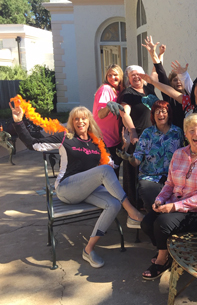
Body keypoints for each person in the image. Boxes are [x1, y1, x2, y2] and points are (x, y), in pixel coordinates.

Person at [10, 102, 144, 268]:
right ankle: (133, 212)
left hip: (87, 190)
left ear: (89, 121)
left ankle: (88, 250)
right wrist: (18, 122)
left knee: (114, 203)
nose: (80, 122)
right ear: (72, 122)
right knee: (103, 171)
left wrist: (125, 145)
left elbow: (112, 165)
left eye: (84, 118)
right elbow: (33, 144)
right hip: (67, 189)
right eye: (76, 119)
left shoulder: (96, 142)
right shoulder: (65, 137)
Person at [140, 113, 197, 280]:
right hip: (173, 204)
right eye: (191, 130)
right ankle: (166, 250)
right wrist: (160, 199)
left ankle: (162, 261)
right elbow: (169, 184)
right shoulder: (178, 154)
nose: (195, 134)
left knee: (162, 224)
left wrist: (174, 207)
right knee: (147, 223)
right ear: (186, 134)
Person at [117, 100, 184, 214]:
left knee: (172, 207)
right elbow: (137, 159)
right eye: (157, 112)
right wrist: (128, 154)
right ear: (152, 115)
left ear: (169, 114)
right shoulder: (147, 133)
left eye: (163, 111)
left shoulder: (177, 132)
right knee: (153, 206)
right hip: (150, 178)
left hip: (173, 179)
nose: (160, 115)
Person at [140, 72, 197, 145]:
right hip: (188, 146)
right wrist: (153, 82)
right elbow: (170, 91)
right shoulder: (187, 101)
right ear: (194, 87)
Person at [118, 65, 159, 206]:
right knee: (135, 171)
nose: (136, 77)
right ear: (129, 78)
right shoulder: (128, 93)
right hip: (138, 138)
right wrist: (133, 132)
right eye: (132, 75)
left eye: (138, 74)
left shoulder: (149, 89)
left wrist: (158, 56)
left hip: (153, 137)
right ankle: (135, 204)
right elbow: (124, 113)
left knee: (150, 169)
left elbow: (155, 72)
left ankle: (149, 200)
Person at [142, 36, 189, 130]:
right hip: (174, 137)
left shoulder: (191, 94)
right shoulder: (169, 96)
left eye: (180, 79)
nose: (178, 81)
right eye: (175, 80)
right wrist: (153, 54)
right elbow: (161, 73)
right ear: (170, 83)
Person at [93, 64, 125, 178]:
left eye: (115, 75)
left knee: (113, 174)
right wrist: (108, 106)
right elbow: (100, 114)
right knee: (106, 176)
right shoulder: (105, 89)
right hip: (103, 140)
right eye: (109, 75)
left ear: (120, 76)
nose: (112, 78)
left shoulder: (119, 91)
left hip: (114, 139)